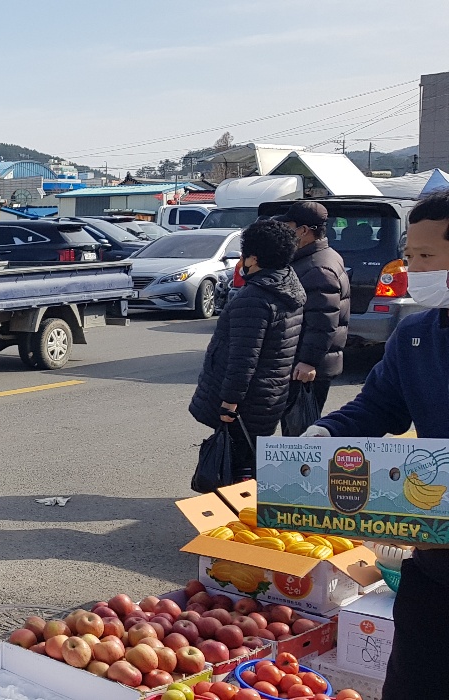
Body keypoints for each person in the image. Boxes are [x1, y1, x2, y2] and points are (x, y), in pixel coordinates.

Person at [302, 190, 449, 700]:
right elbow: (376, 408)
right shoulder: (416, 335)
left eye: (426, 258)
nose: (413, 270)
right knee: (415, 681)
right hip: (435, 554)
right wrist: (320, 436)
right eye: (410, 256)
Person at [188, 219, 304, 480]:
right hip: (271, 393)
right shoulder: (289, 286)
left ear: (253, 258)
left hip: (248, 399)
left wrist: (229, 403)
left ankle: (240, 513)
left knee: (237, 463)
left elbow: (243, 358)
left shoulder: (254, 299)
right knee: (250, 456)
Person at [275, 201, 349, 417]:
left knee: (301, 437)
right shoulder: (315, 258)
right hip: (303, 364)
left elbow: (323, 321)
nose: (285, 232)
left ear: (304, 230)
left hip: (306, 370)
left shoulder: (318, 267)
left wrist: (308, 361)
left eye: (288, 227)